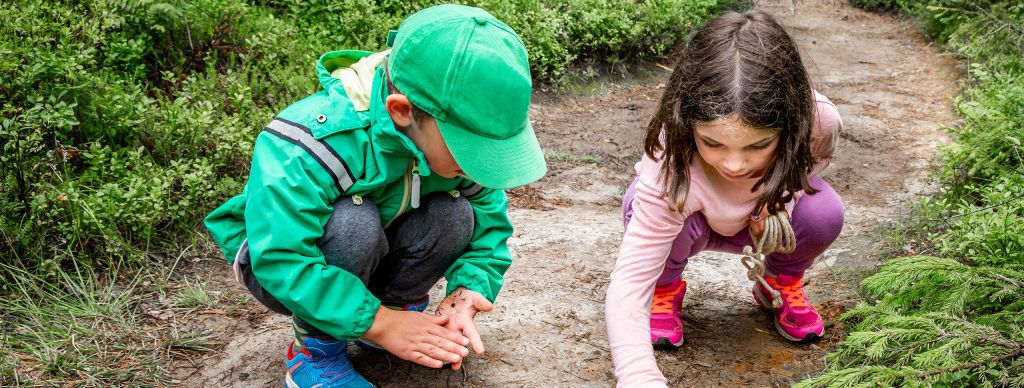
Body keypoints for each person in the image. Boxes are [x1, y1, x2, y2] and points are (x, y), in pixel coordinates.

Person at [204, 4, 546, 387]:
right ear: (401, 112)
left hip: (372, 247)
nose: (479, 166)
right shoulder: (311, 141)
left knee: (455, 212)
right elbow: (282, 258)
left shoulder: (448, 143)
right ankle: (314, 351)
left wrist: (469, 289)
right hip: (278, 265)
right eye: (469, 150)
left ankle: (389, 314)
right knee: (354, 222)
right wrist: (381, 324)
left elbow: (488, 221)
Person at [604, 10, 844, 385]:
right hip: (691, 225)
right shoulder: (671, 155)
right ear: (687, 121)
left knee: (824, 211)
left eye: (759, 144)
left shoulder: (820, 122)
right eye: (712, 143)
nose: (733, 164)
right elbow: (630, 280)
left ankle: (781, 282)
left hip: (764, 227)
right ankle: (665, 287)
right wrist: (637, 375)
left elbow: (810, 166)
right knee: (646, 205)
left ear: (792, 123)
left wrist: (780, 198)